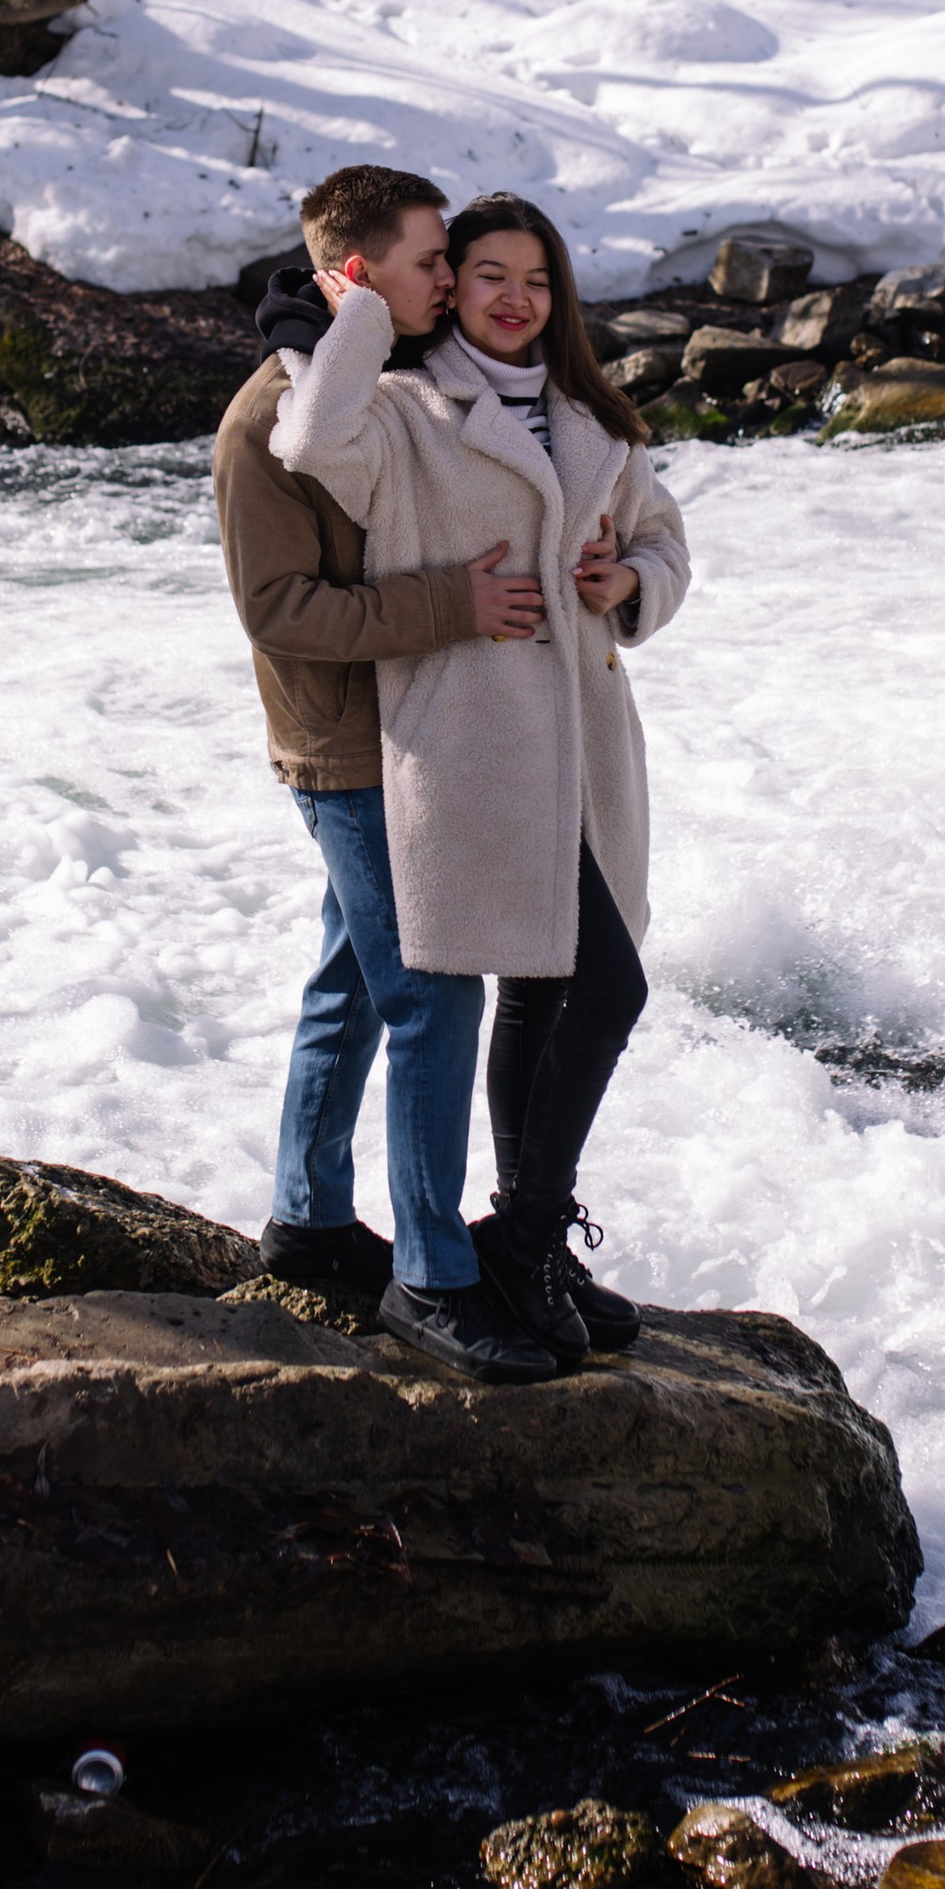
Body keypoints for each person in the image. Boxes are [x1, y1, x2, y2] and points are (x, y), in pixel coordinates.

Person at [269, 189, 691, 1374]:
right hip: (472, 750)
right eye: (488, 272)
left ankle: (526, 1238)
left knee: (558, 989)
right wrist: (348, 317)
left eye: (537, 280)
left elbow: (665, 539)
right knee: (603, 987)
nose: (514, 297)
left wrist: (626, 582)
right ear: (452, 285)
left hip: (582, 746)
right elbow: (305, 442)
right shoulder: (404, 408)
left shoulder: (590, 416)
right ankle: (513, 1235)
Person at [213, 164, 557, 1385]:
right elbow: (277, 609)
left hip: (408, 726)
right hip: (345, 748)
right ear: (358, 277)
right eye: (428, 262)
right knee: (432, 993)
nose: (450, 280)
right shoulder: (270, 419)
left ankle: (307, 1223)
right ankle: (429, 1278)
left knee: (349, 986)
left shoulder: (379, 385)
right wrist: (450, 605)